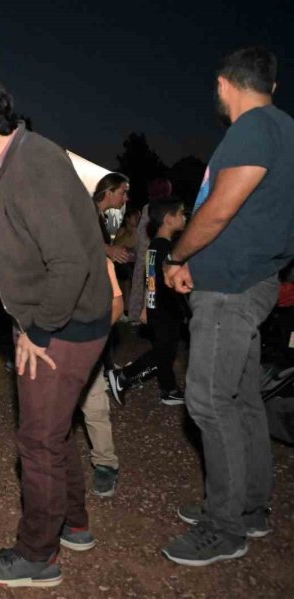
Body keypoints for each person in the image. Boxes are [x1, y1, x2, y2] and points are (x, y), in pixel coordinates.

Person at [0, 75, 111, 587]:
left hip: (60, 328)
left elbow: (70, 262)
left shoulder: (29, 170)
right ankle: (73, 523)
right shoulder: (25, 157)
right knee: (54, 435)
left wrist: (37, 331)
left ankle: (38, 556)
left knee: (36, 442)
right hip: (69, 322)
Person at [161, 47, 294, 567]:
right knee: (240, 400)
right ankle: (250, 507)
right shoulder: (284, 127)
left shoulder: (253, 126)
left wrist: (178, 254)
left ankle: (225, 527)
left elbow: (220, 209)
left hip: (232, 290)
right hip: (253, 279)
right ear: (273, 85)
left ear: (223, 84)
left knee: (209, 401)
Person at [107, 200, 188, 405]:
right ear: (169, 220)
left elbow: (149, 278)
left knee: (165, 350)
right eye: (181, 213)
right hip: (165, 307)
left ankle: (168, 389)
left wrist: (145, 306)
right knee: (163, 351)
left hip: (156, 306)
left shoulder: (154, 246)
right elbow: (161, 279)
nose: (185, 217)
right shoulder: (167, 248)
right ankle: (123, 376)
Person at [79, 259, 125, 497]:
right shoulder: (42, 252)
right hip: (50, 344)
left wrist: (93, 335)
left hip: (87, 342)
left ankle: (106, 463)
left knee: (95, 404)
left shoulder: (98, 258)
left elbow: (117, 302)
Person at [127, 178, 173, 324]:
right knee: (153, 285)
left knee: (143, 284)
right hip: (155, 251)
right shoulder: (164, 208)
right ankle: (149, 316)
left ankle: (137, 316)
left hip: (144, 252)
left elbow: (140, 233)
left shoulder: (147, 207)